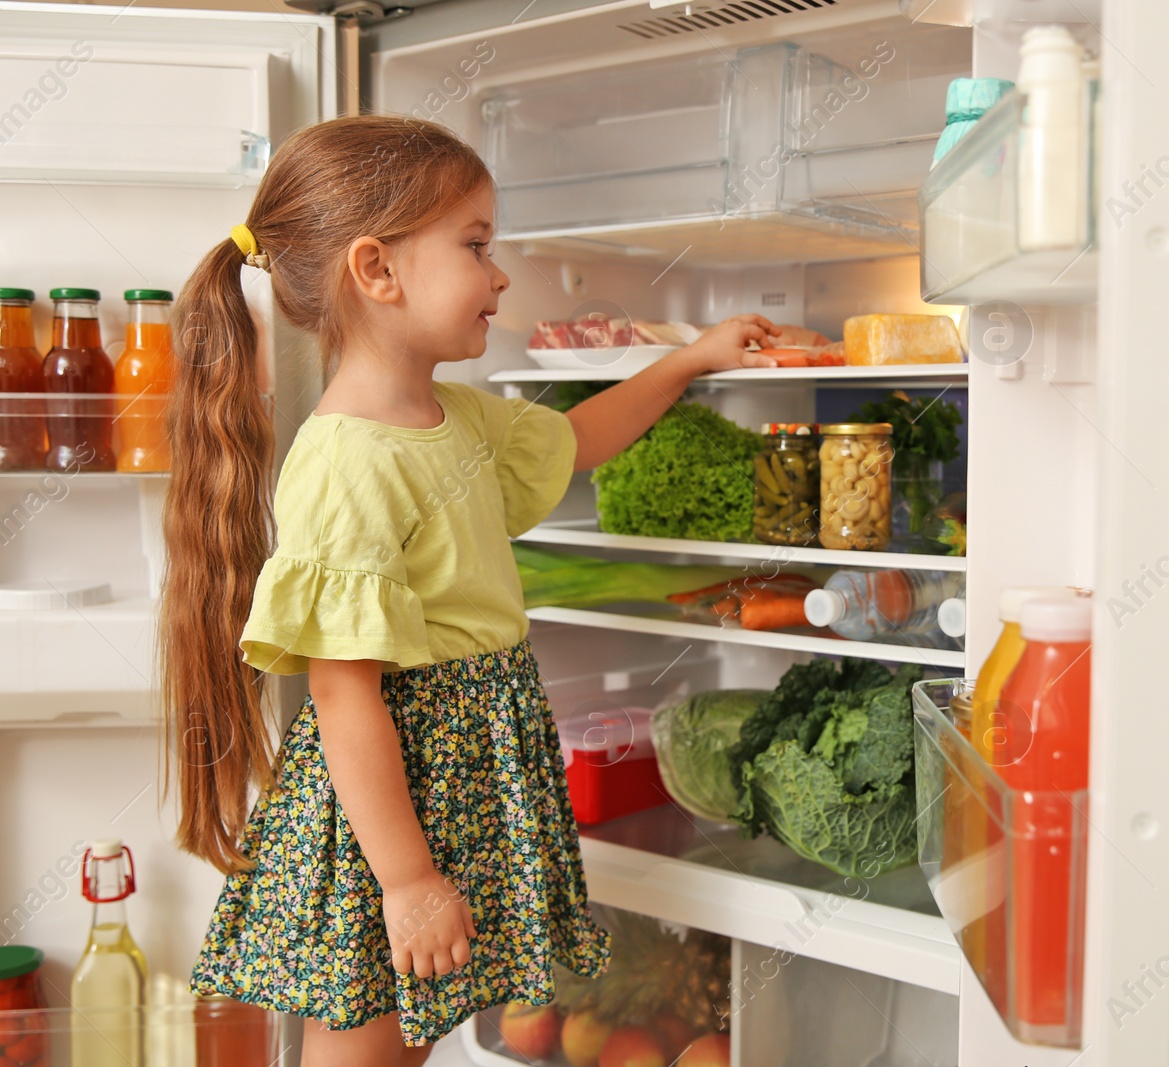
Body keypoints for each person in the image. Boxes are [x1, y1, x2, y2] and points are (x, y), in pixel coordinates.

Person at [158, 115, 780, 1067]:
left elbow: (574, 441)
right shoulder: (348, 459)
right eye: (477, 246)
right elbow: (341, 691)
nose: (500, 277)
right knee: (364, 1037)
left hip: (461, 768)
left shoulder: (454, 416)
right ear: (378, 270)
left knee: (414, 1029)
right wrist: (406, 881)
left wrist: (691, 358)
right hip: (393, 795)